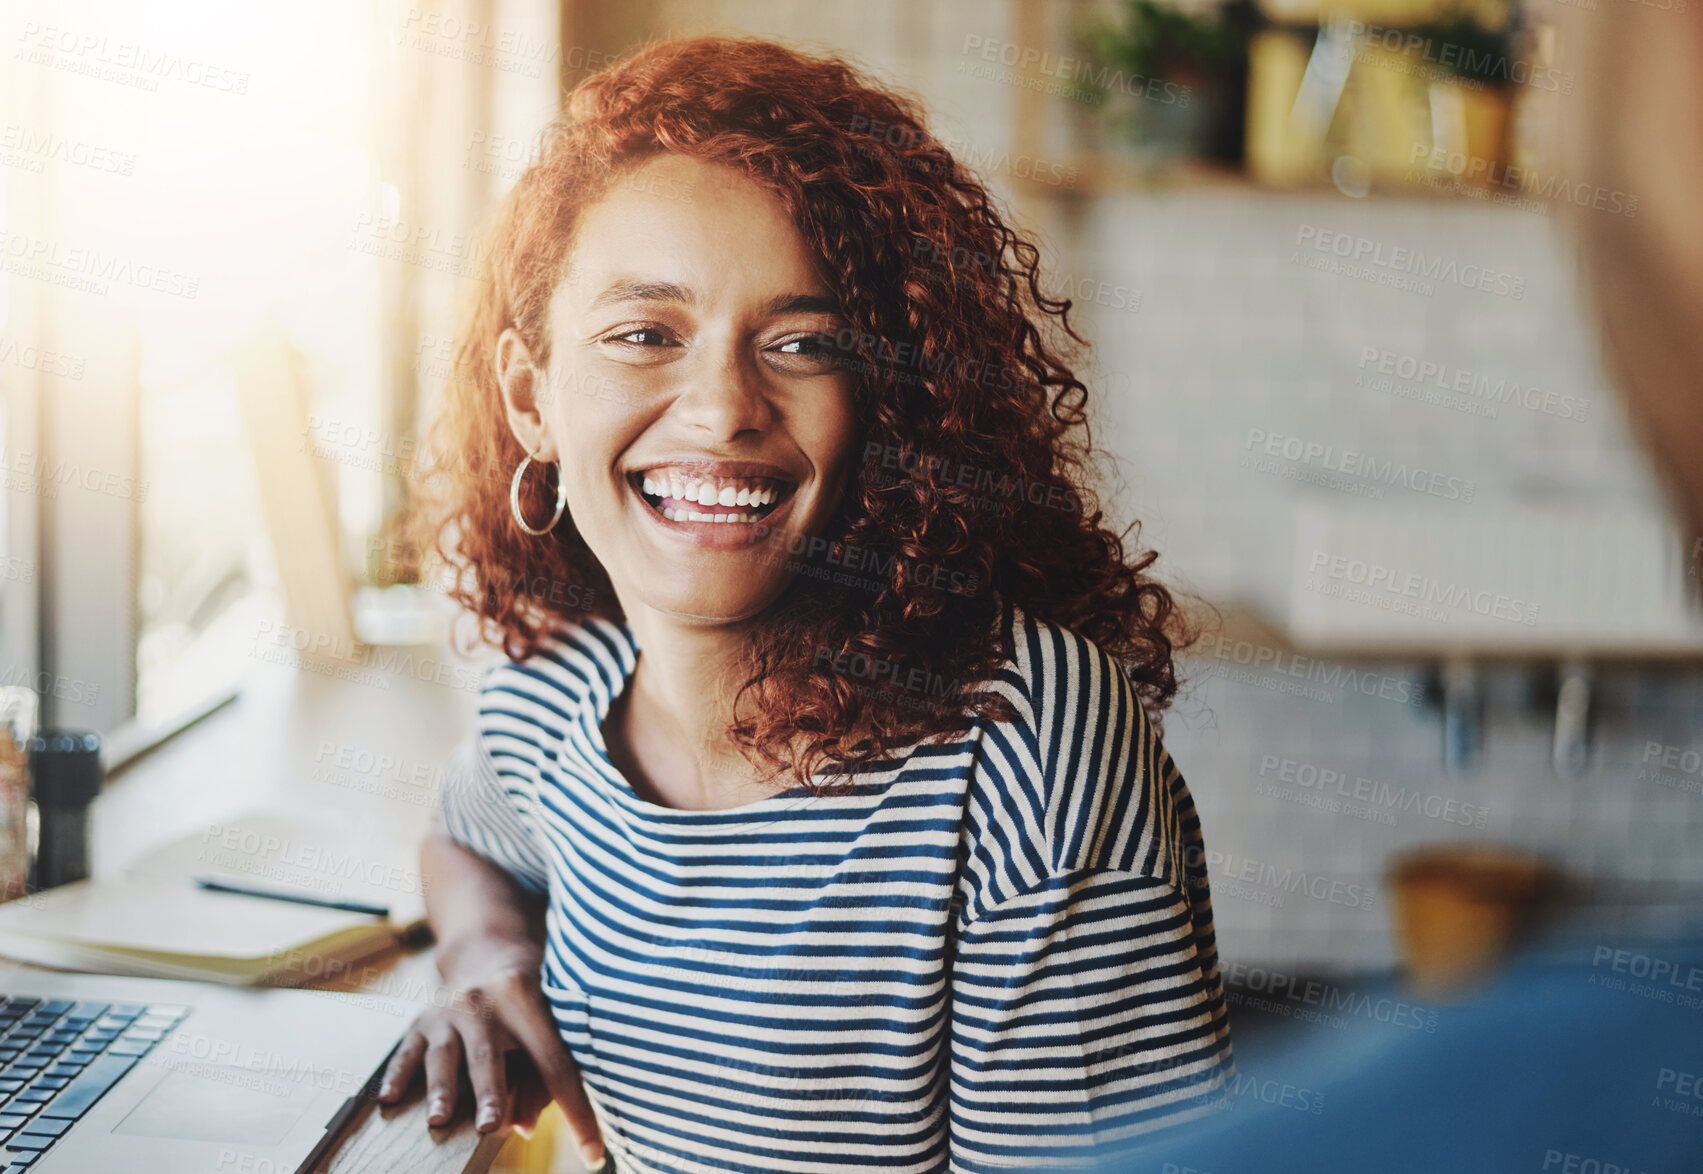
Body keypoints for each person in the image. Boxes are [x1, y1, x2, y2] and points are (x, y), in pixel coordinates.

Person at [377, 35, 1233, 1174]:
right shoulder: (559, 689)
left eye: (801, 342)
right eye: (643, 335)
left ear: (885, 401)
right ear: (531, 399)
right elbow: (465, 837)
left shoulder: (1021, 754)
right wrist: (485, 960)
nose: (723, 407)